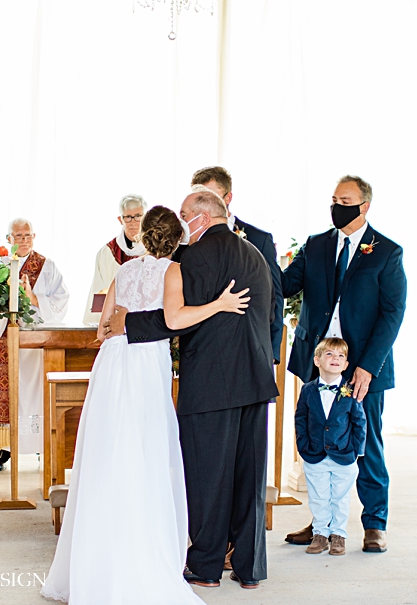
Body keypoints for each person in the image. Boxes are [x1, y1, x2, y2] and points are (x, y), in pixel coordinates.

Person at [42, 205, 249, 604]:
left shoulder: (123, 270)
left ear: (143, 236)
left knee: (108, 448)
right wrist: (219, 305)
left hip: (112, 363)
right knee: (145, 449)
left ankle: (94, 561)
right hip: (144, 362)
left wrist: (119, 320)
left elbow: (103, 327)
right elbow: (173, 319)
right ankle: (140, 553)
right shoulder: (172, 270)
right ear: (177, 239)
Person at [106, 189, 279, 589]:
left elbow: (178, 318)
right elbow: (268, 314)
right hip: (254, 380)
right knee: (248, 477)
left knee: (206, 477)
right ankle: (251, 568)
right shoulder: (254, 254)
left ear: (202, 217)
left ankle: (204, 567)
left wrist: (128, 325)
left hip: (212, 384)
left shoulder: (197, 256)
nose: (182, 223)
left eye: (185, 215)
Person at [282, 175, 406, 553]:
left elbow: (392, 313)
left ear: (365, 205)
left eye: (346, 199)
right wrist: (253, 254)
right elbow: (285, 285)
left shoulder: (386, 251)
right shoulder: (316, 245)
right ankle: (323, 522)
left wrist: (367, 366)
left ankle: (374, 524)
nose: (337, 205)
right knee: (318, 443)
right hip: (319, 364)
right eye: (334, 199)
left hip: (361, 366)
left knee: (365, 444)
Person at [0, 218, 69, 457]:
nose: (23, 240)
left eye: (27, 236)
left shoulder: (47, 266)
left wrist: (33, 298)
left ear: (34, 237)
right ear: (8, 239)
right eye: (18, 236)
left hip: (31, 346)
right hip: (2, 336)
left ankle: (31, 443)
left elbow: (61, 300)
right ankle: (0, 450)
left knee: (30, 393)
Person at [191, 167, 284, 362]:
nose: (203, 205)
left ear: (228, 197)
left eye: (209, 196)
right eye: (198, 198)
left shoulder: (259, 239)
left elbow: (274, 295)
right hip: (204, 346)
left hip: (250, 345)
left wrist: (272, 351)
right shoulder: (189, 241)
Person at [294, 337, 366, 557]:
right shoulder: (307, 390)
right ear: (317, 360)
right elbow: (301, 419)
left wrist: (356, 451)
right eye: (329, 354)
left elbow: (359, 422)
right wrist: (303, 446)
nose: (335, 358)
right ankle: (320, 534)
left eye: (341, 356)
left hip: (344, 455)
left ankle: (338, 535)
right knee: (318, 497)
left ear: (346, 365)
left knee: (340, 498)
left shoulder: (350, 390)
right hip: (314, 455)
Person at [82, 194, 147, 324]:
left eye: (138, 216)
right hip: (115, 321)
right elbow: (100, 290)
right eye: (128, 217)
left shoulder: (153, 251)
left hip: (144, 321)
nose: (133, 222)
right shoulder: (107, 253)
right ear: (120, 219)